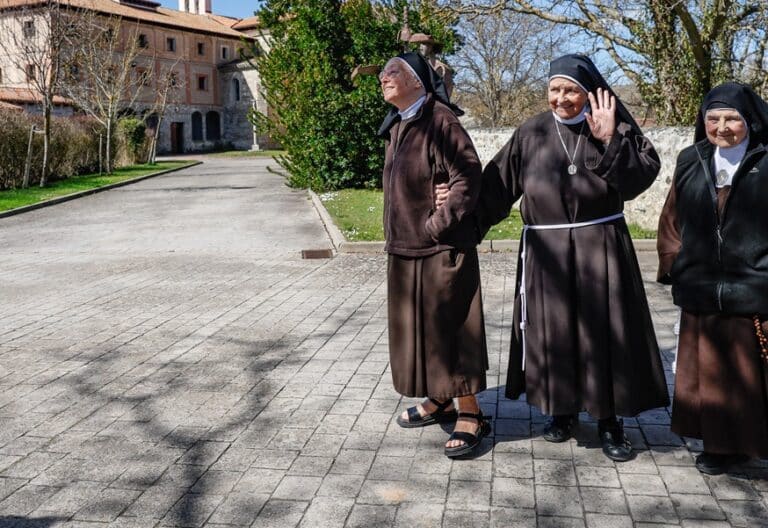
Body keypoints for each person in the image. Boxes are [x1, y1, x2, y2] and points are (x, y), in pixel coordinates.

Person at [437, 53, 669, 461]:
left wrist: (609, 138)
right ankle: (561, 411)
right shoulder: (531, 134)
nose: (561, 99)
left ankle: (610, 421)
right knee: (555, 333)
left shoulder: (611, 128)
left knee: (604, 335)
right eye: (554, 90)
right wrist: (455, 207)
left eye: (571, 91)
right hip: (547, 253)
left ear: (589, 94)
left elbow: (640, 178)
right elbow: (494, 187)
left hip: (601, 249)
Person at [378, 52, 490, 458]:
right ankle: (440, 398)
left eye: (394, 71)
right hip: (406, 249)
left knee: (452, 330)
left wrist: (436, 222)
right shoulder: (400, 124)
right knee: (420, 332)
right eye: (384, 73)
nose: (384, 77)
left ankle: (471, 412)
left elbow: (468, 175)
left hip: (441, 248)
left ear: (417, 81)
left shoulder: (440, 119)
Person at [657, 82, 768, 475]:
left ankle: (754, 445)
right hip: (702, 289)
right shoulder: (692, 159)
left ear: (750, 121)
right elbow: (672, 219)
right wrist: (676, 264)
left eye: (732, 118)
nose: (722, 127)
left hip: (754, 289)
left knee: (751, 376)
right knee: (710, 376)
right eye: (713, 118)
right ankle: (720, 447)